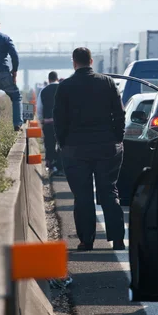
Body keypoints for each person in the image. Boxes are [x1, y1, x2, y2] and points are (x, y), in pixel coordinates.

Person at [53, 47, 126, 251]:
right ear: (91, 61)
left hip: (76, 149)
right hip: (106, 147)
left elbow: (59, 119)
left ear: (74, 62)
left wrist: (63, 143)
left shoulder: (65, 86)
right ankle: (118, 239)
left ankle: (86, 241)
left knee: (83, 195)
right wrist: (117, 139)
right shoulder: (107, 83)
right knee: (109, 191)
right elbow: (119, 115)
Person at [37, 71, 63, 175]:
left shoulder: (44, 91)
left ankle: (51, 166)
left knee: (50, 145)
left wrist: (42, 120)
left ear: (49, 79)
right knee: (62, 145)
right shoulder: (64, 88)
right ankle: (60, 166)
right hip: (62, 124)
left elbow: (39, 108)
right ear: (57, 78)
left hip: (48, 123)